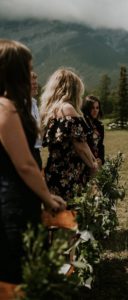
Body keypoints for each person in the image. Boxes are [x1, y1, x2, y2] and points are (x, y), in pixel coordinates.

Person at [0, 39, 66, 283]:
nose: (32, 73)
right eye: (28, 67)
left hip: (19, 194)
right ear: (15, 71)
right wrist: (47, 198)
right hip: (13, 198)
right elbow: (25, 164)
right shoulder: (5, 108)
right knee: (14, 268)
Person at [40, 68, 99, 202]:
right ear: (72, 89)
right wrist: (93, 164)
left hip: (54, 170)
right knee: (72, 215)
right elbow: (80, 145)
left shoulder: (51, 111)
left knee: (58, 215)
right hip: (70, 174)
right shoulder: (67, 109)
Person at [82, 95, 105, 165]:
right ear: (86, 109)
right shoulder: (82, 124)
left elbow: (100, 145)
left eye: (97, 108)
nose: (95, 110)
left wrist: (101, 159)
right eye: (92, 108)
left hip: (96, 160)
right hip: (84, 160)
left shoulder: (100, 126)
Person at [30, 70, 43, 169]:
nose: (36, 86)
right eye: (33, 84)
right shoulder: (23, 106)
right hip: (29, 151)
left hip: (36, 150)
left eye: (36, 83)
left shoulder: (34, 103)